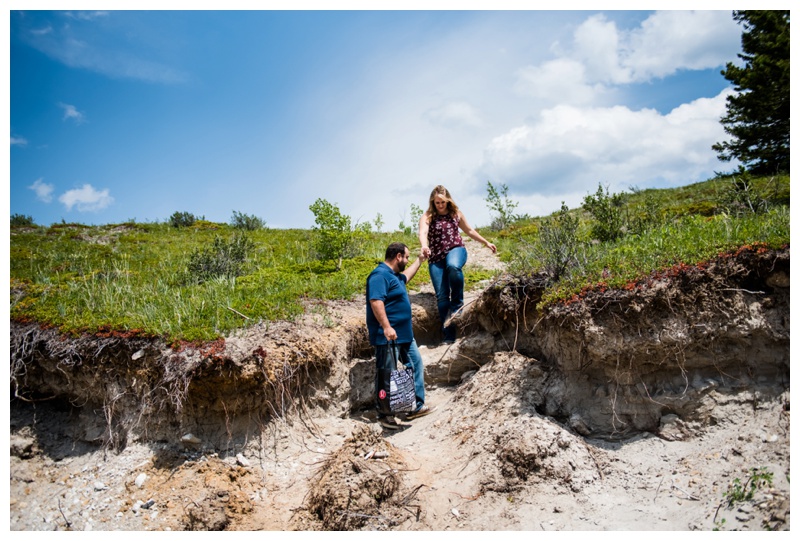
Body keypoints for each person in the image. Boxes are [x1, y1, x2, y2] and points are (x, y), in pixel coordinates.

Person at [366, 242, 434, 430]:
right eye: (406, 257)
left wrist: (420, 261)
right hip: (388, 336)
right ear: (398, 257)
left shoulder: (394, 276)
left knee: (415, 364)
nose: (407, 260)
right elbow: (376, 301)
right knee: (386, 374)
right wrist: (387, 327)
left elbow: (406, 277)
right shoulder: (379, 275)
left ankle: (415, 406)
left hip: (405, 335)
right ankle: (385, 415)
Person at [419, 185, 497, 344]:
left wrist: (486, 242)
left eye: (442, 202)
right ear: (432, 202)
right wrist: (424, 245)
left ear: (448, 200)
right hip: (436, 257)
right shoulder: (428, 216)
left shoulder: (456, 214)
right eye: (437, 203)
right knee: (441, 297)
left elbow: (469, 231)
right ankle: (448, 335)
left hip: (456, 249)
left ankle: (458, 305)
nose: (440, 205)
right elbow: (423, 232)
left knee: (453, 266)